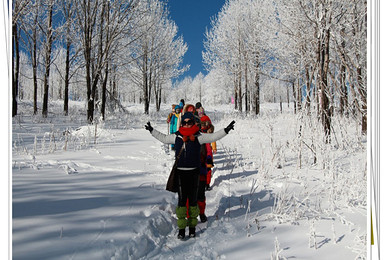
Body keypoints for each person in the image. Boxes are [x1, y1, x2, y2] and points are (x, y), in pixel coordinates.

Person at [145, 114, 235, 239]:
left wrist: (226, 130)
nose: (187, 124)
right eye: (185, 122)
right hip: (181, 173)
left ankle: (192, 228)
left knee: (193, 201)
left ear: (193, 122)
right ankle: (182, 229)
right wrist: (151, 130)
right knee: (182, 202)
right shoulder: (176, 136)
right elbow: (164, 138)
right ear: (182, 123)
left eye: (189, 122)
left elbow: (213, 136)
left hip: (194, 173)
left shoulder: (199, 136)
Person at [200, 115, 216, 190]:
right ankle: (203, 183)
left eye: (205, 124)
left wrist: (214, 148)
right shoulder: (199, 133)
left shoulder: (210, 133)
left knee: (208, 169)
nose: (204, 126)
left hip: (209, 154)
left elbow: (213, 141)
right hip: (201, 153)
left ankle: (207, 183)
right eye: (202, 124)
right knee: (202, 169)